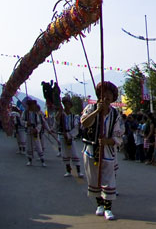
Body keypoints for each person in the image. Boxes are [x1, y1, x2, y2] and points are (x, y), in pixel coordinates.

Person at [80, 81, 124, 221]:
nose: (106, 96)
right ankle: (99, 204)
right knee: (94, 178)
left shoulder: (115, 114)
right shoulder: (90, 108)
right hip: (91, 149)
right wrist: (97, 112)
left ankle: (108, 208)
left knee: (108, 179)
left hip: (107, 151)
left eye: (110, 94)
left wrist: (107, 141)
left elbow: (118, 135)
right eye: (104, 93)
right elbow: (84, 123)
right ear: (99, 94)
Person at [58, 95, 83, 177]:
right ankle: (68, 170)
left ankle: (79, 171)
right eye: (64, 104)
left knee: (74, 153)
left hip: (71, 137)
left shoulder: (74, 116)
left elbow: (76, 128)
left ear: (70, 105)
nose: (66, 106)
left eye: (68, 104)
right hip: (62, 136)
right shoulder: (60, 115)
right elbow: (56, 124)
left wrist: (69, 135)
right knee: (65, 154)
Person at [23, 98, 46, 167]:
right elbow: (21, 121)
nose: (33, 106)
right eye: (32, 105)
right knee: (29, 147)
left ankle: (42, 160)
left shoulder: (36, 113)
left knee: (38, 146)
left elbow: (39, 123)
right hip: (28, 131)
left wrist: (36, 129)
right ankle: (30, 160)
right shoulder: (25, 113)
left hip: (35, 131)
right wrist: (26, 123)